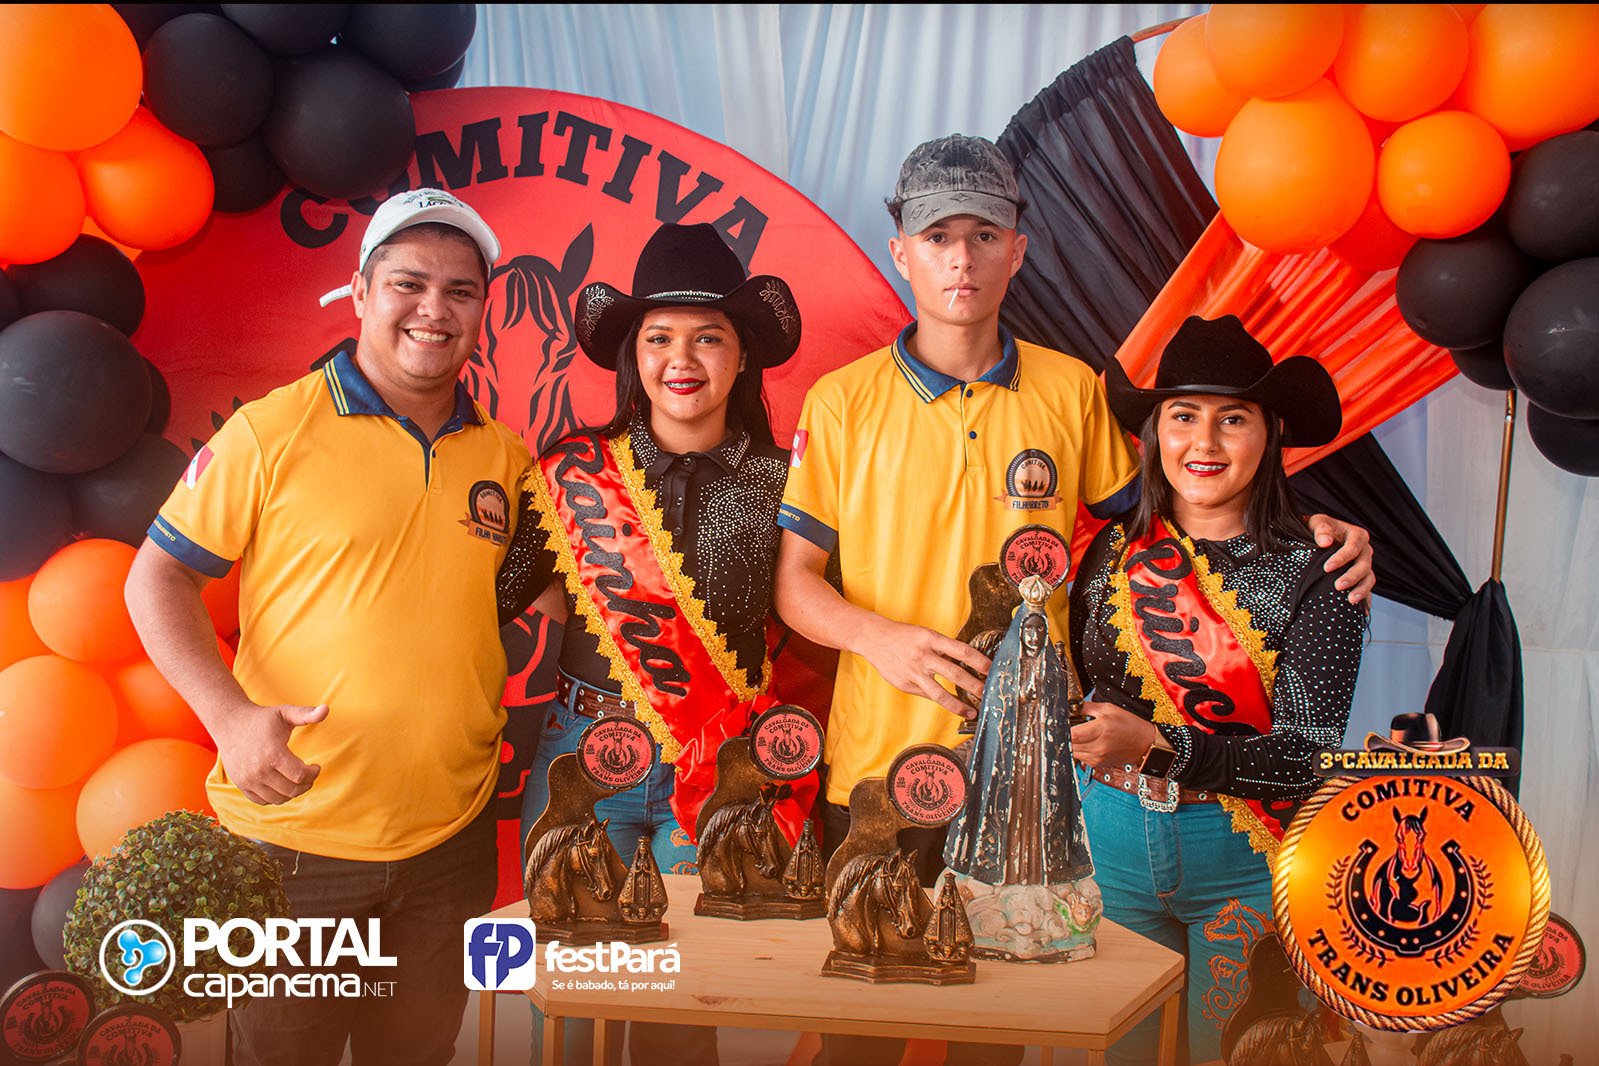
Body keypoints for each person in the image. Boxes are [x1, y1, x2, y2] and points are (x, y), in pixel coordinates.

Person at [773, 134, 1374, 1066]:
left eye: (983, 235)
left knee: (1004, 1039)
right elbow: (794, 584)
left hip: (1038, 782)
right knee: (861, 1035)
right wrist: (880, 638)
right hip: (882, 766)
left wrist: (1313, 530)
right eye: (937, 238)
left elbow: (1173, 529)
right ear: (901, 251)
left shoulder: (1072, 392)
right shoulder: (841, 401)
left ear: (1017, 249)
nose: (961, 260)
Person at [124, 189, 527, 1066]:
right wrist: (229, 718)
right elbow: (155, 577)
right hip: (295, 844)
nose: (433, 309)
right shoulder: (271, 431)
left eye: (460, 291)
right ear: (359, 292)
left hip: (451, 839)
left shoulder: (502, 455)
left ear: (482, 310)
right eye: (408, 283)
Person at [496, 221, 813, 1066]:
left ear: (741, 357)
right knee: (569, 1009)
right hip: (582, 756)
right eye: (659, 337)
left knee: (680, 1013)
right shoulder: (570, 472)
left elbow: (825, 613)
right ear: (631, 356)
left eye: (708, 337)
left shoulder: (785, 484)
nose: (682, 358)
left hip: (716, 765)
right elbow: (489, 598)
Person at [1068, 314, 1367, 1066]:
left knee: (1238, 1054)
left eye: (1232, 419)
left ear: (1270, 434)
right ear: (1153, 432)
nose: (1203, 442)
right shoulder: (1108, 551)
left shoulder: (1321, 569)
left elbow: (1304, 759)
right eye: (1183, 416)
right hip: (1110, 841)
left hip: (1244, 855)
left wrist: (1159, 749)